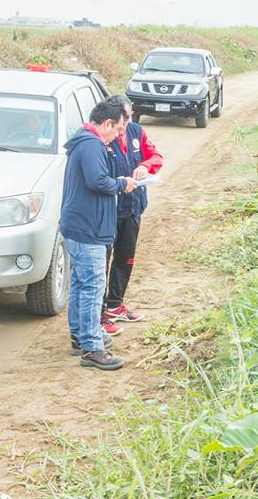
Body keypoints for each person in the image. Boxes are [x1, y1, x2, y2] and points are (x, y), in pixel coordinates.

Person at [61, 99, 136, 370]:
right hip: (88, 228)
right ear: (106, 124)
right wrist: (122, 183)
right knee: (92, 287)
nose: (118, 135)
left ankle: (81, 337)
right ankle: (92, 347)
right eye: (117, 129)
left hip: (80, 225)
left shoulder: (84, 142)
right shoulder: (91, 146)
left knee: (81, 284)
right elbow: (98, 181)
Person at [100, 95, 163, 336]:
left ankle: (116, 304)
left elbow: (156, 156)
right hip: (109, 210)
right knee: (102, 263)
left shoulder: (137, 131)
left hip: (134, 206)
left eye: (129, 116)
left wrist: (146, 166)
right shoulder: (105, 137)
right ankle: (101, 312)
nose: (126, 122)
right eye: (124, 118)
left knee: (126, 257)